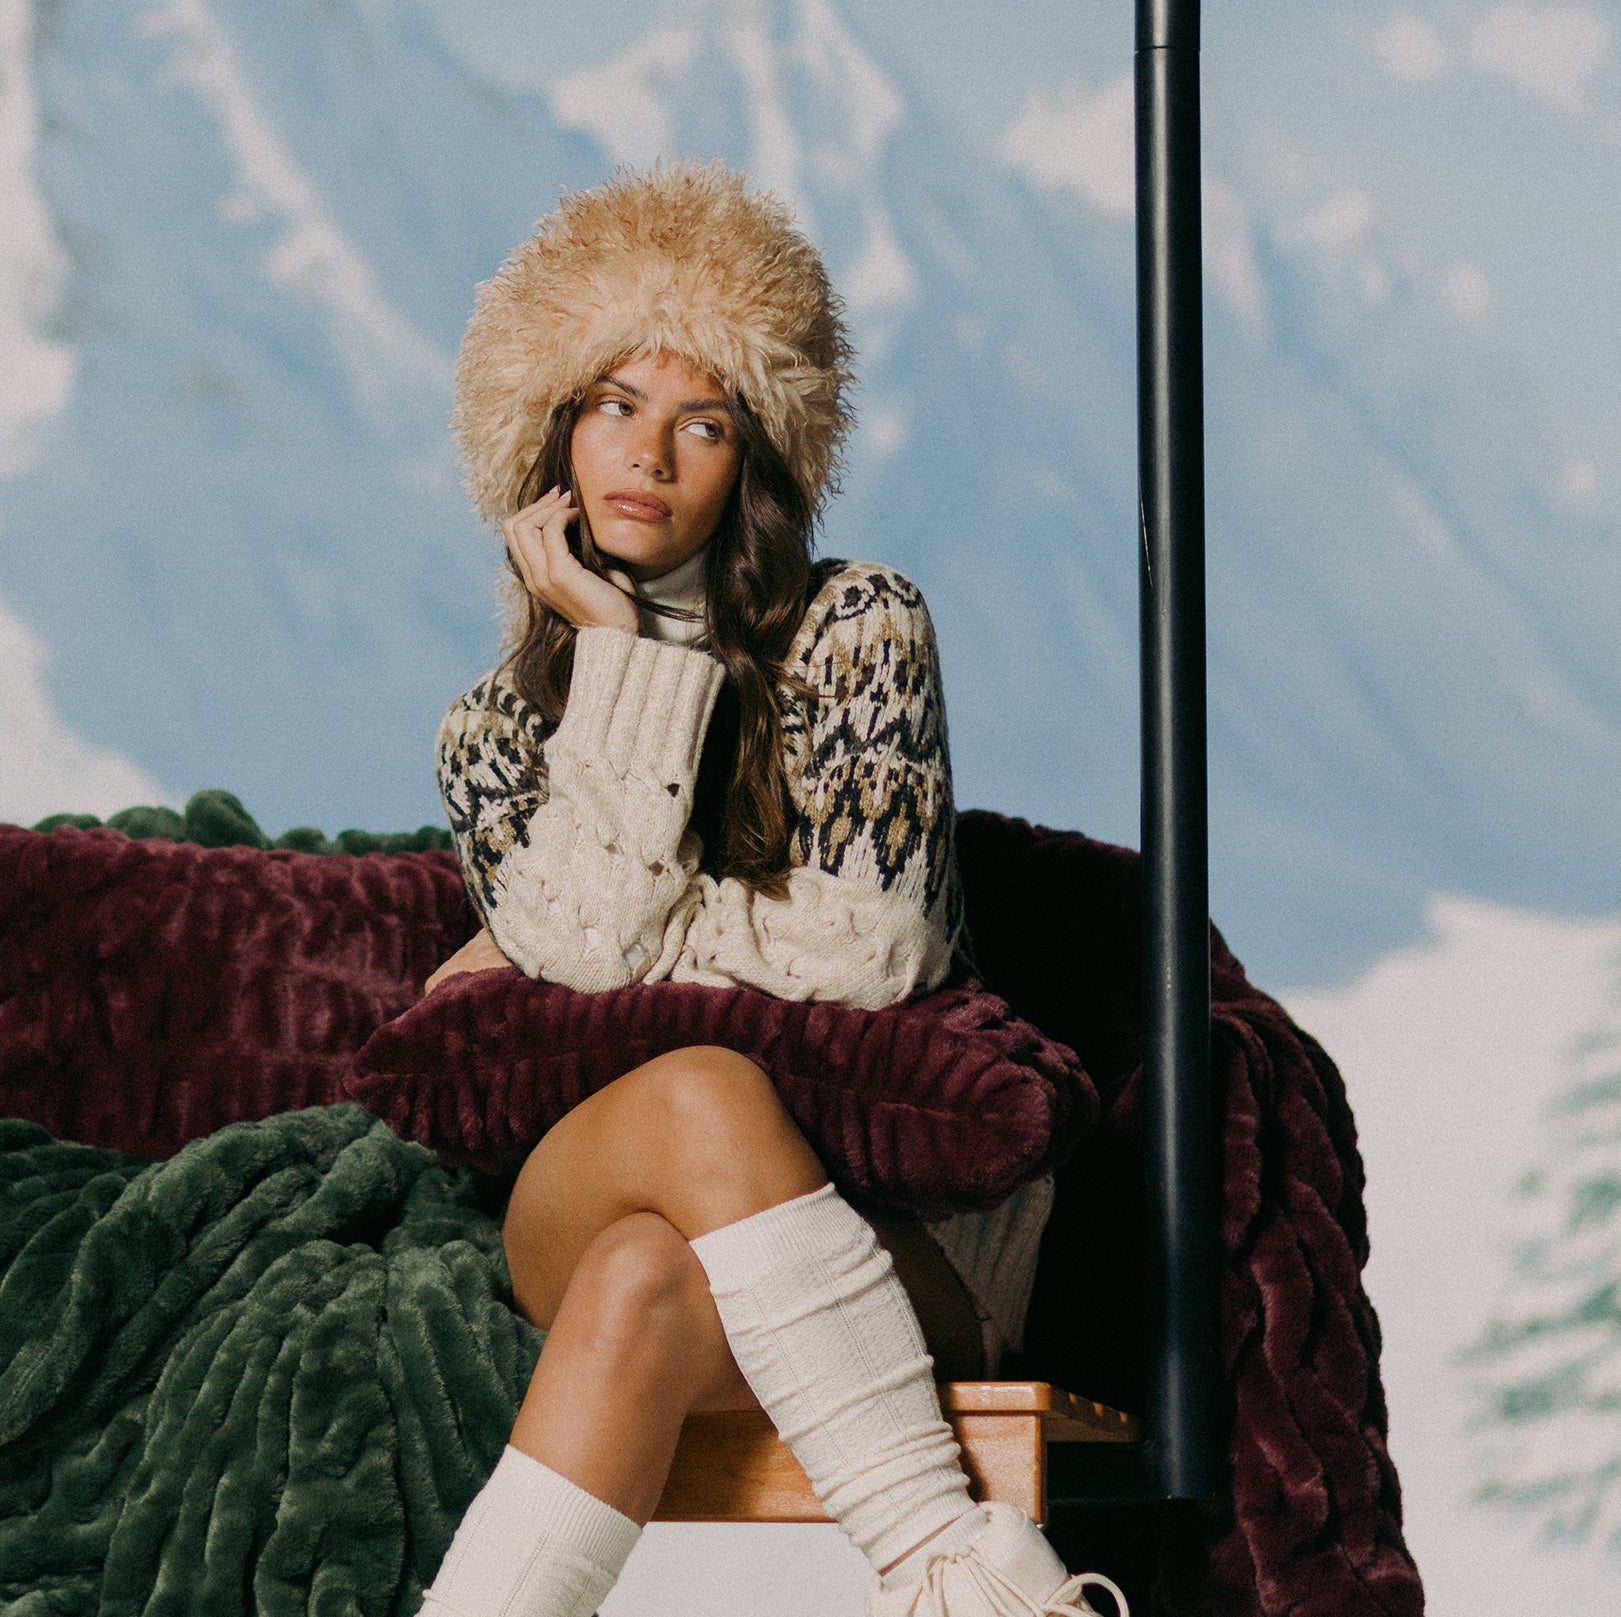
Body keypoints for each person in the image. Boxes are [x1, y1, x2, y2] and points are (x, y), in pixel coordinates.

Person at [415, 162, 1124, 1617]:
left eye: (705, 421)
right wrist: (621, 656)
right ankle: (956, 1571)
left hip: (901, 1229)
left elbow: (867, 951)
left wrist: (610, 947)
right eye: (612, 403)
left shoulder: (858, 628)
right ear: (546, 431)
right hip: (595, 1172)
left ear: (756, 458)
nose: (649, 454)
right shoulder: (490, 732)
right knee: (690, 1095)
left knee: (650, 1252)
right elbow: (594, 955)